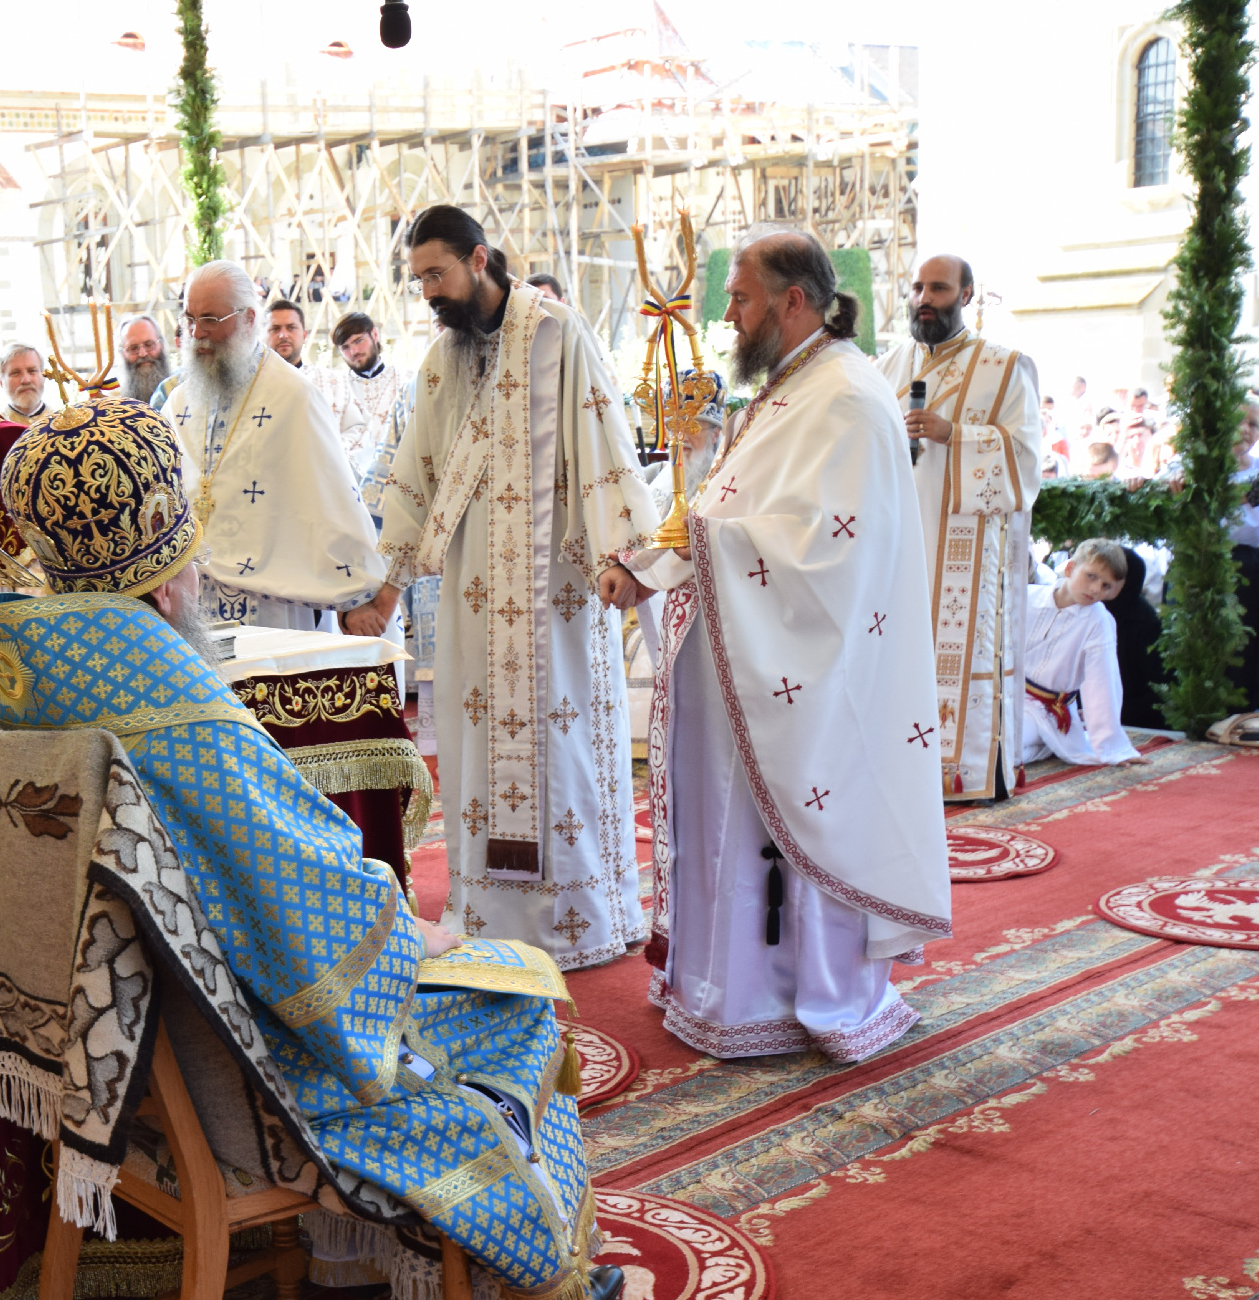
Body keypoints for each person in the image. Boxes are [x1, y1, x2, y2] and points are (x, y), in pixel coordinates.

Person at [0, 395, 620, 1300]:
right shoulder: (179, 709)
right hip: (262, 1089)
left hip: (148, 1064)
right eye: (190, 554)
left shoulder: (34, 669)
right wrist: (412, 939)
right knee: (516, 1001)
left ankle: (368, 1260)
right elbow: (304, 916)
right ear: (162, 586)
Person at [624, 228, 951, 1062]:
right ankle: (726, 990)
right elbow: (734, 511)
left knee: (776, 831)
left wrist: (680, 553)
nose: (726, 316)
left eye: (739, 297)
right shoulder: (789, 388)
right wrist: (657, 556)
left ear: (793, 301)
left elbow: (826, 554)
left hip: (802, 668)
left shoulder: (844, 397)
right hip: (745, 653)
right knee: (729, 830)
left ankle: (790, 993)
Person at [361, 205, 656, 965]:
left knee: (564, 749)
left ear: (480, 259)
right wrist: (384, 587)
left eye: (438, 272)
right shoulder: (442, 361)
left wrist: (621, 556)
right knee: (475, 749)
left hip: (555, 586)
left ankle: (578, 917)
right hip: (470, 595)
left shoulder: (557, 336)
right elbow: (414, 475)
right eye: (419, 277)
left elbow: (603, 443)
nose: (428, 290)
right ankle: (489, 916)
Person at [879, 253, 1043, 801]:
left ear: (967, 295)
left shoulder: (1005, 367)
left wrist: (956, 434)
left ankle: (961, 771)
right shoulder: (887, 365)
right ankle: (889, 766)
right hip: (896, 539)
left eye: (939, 289)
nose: (925, 299)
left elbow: (1024, 460)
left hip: (961, 545)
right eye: (918, 288)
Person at [161, 261, 387, 632]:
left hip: (270, 601)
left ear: (249, 319)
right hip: (193, 598)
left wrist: (356, 597)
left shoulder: (294, 397)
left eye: (210, 320)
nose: (197, 332)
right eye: (189, 318)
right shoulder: (180, 403)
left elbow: (332, 497)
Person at [1022, 539, 1139, 766]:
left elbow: (1102, 683)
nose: (1096, 589)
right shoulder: (1026, 597)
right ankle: (1047, 745)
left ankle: (1049, 741)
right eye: (1091, 576)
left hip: (1047, 711)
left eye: (1106, 586)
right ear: (1070, 568)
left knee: (1001, 742)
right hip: (1006, 700)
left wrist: (1112, 747)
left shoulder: (1099, 622)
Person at [265, 295, 371, 464]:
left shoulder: (334, 383)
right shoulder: (250, 387)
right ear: (264, 335)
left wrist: (327, 455)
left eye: (291, 328)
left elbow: (357, 429)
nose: (283, 335)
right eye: (275, 329)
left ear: (304, 335)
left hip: (324, 474)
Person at [1228, 394, 1259, 711]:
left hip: (1255, 575)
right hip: (1206, 569)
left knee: (1251, 652)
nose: (1245, 429)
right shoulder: (1191, 467)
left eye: (1253, 424)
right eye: (1239, 421)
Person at [333, 311, 409, 484]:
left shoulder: (406, 380)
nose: (354, 351)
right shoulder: (336, 389)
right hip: (352, 486)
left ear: (374, 335)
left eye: (359, 341)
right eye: (345, 347)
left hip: (401, 481)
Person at [1107, 546, 1168, 729]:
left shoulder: (1144, 623)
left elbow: (1156, 694)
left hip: (1135, 721)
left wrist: (1110, 712)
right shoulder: (1090, 610)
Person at [115, 313, 173, 404]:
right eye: (133, 348)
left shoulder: (180, 392)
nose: (142, 354)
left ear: (162, 345)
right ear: (123, 354)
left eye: (149, 344)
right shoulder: (115, 401)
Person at [0, 341, 49, 425]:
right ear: (1, 382)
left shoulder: (62, 423)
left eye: (32, 371)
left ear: (44, 376)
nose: (26, 380)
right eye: (15, 373)